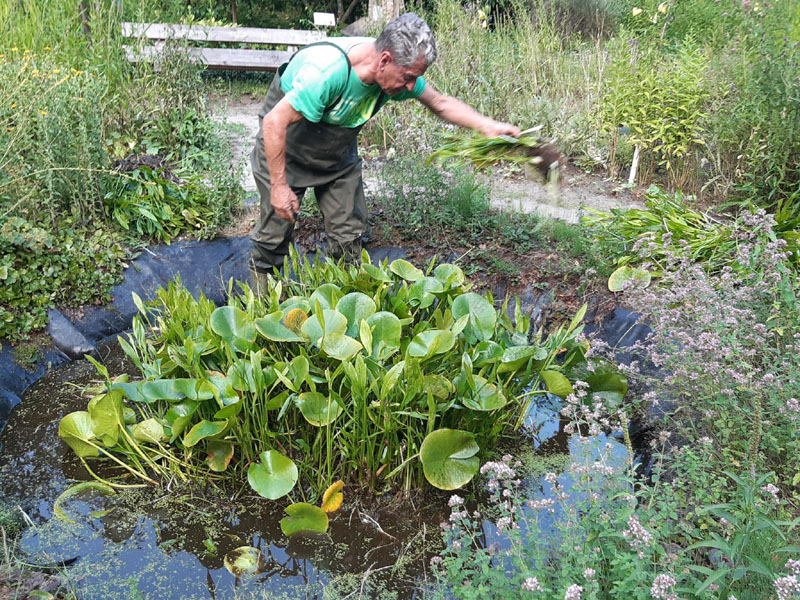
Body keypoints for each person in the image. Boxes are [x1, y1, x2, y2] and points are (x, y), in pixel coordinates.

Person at [249, 12, 520, 288]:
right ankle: (263, 309)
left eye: (416, 78)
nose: (412, 86)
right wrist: (280, 185)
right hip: (288, 151)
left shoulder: (394, 73)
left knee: (348, 238)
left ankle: (342, 310)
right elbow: (274, 123)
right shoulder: (326, 74)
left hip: (337, 160)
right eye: (408, 77)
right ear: (385, 60)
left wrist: (487, 125)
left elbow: (439, 103)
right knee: (273, 238)